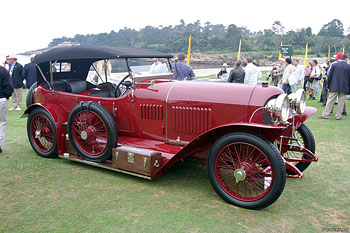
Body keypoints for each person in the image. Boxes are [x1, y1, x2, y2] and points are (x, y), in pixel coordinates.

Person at [319, 54, 350, 120]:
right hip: (344, 86)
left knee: (330, 100)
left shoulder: (334, 65)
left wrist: (328, 85)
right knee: (341, 102)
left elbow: (330, 76)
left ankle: (325, 114)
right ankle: (338, 115)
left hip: (334, 85)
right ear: (346, 59)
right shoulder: (348, 66)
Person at [0, 66, 14, 152]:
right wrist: (6, 97)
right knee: (1, 123)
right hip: (1, 99)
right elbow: (9, 87)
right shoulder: (3, 70)